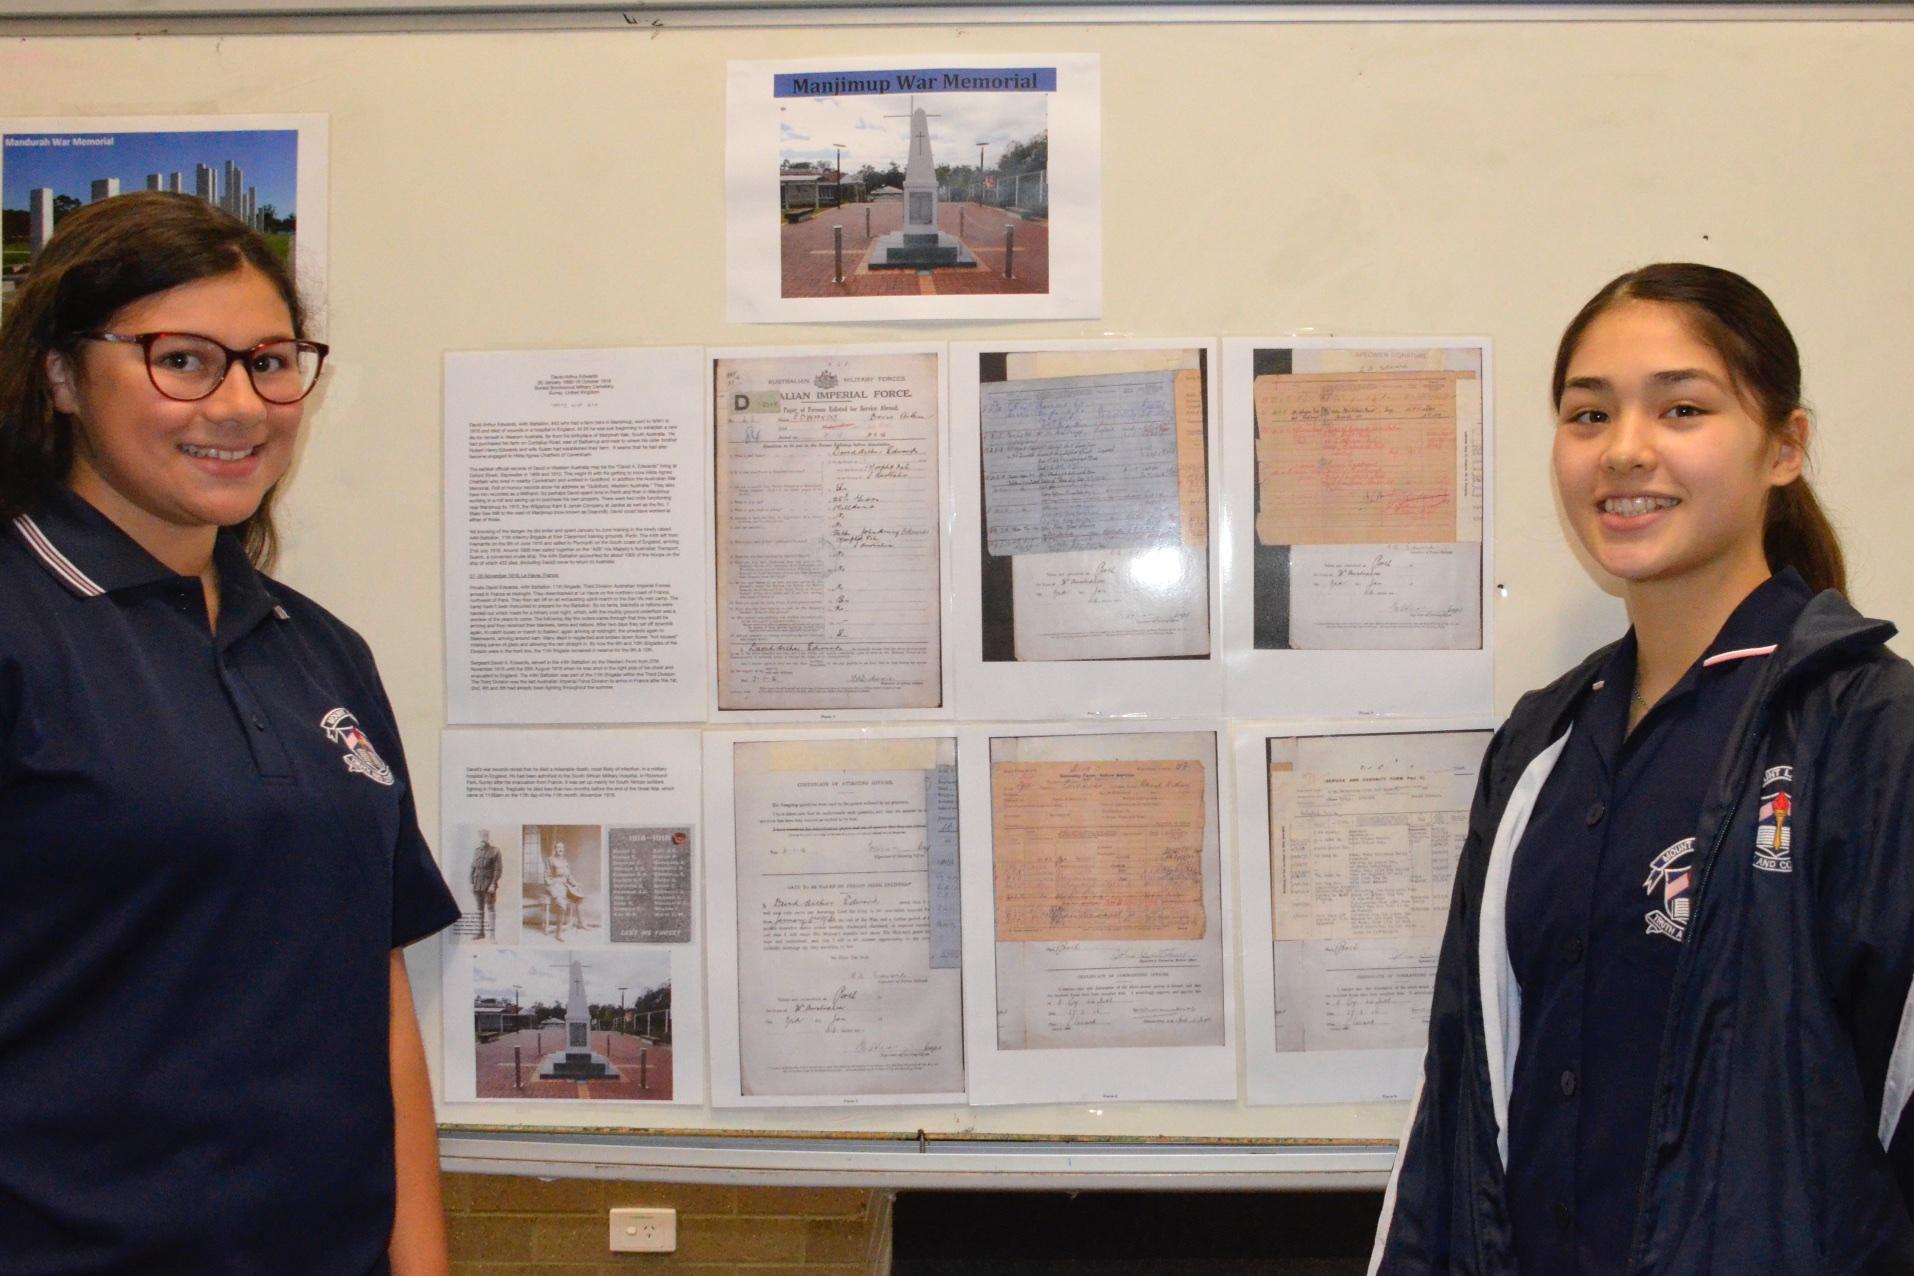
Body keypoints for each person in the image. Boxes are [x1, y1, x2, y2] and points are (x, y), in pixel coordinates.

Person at [1369, 264, 1914, 1273]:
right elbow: (1460, 1102)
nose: (1624, 449)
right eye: (1589, 414)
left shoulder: (1871, 734)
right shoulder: (1540, 745)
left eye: (1682, 408)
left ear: (1785, 446)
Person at [0, 192, 460, 1275]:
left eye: (270, 362)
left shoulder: (321, 651)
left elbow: (375, 987)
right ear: (61, 376)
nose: (242, 405)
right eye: (184, 361)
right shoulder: (20, 622)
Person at [469, 828, 503, 939]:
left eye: (485, 836)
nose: (482, 839)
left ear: (488, 837)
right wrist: (471, 882)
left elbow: (498, 869)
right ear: (478, 838)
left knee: (490, 908)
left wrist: (493, 883)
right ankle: (480, 933)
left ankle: (492, 935)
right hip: (477, 883)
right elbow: (472, 868)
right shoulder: (476, 851)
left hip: (489, 884)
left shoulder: (495, 851)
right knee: (479, 908)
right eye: (481, 836)